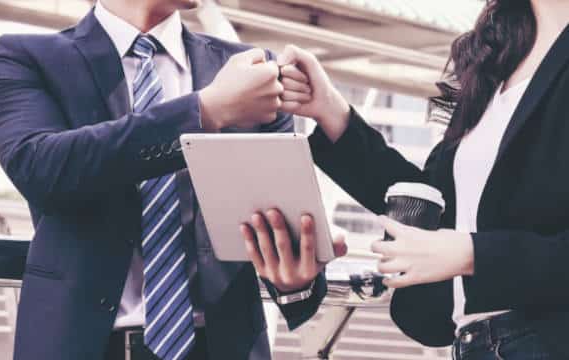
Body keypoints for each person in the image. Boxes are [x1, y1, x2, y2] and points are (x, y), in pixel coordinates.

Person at [0, 1, 346, 359]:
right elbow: (41, 170)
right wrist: (204, 111)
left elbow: (276, 222)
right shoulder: (25, 57)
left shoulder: (251, 70)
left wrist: (297, 280)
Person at [241, 0, 569, 358]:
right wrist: (332, 112)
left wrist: (474, 254)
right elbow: (429, 203)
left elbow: (461, 244)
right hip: (477, 344)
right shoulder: (499, 54)